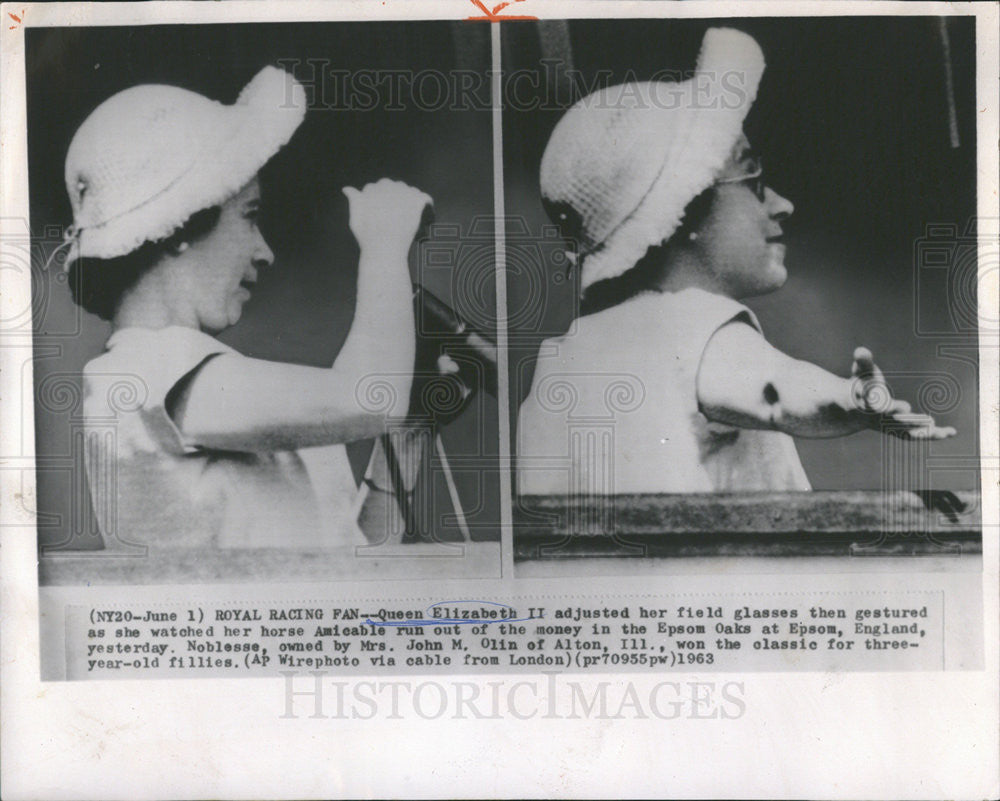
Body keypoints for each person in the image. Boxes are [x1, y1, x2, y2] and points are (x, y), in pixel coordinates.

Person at [517, 28, 956, 496]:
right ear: (685, 209)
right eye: (755, 180)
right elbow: (775, 391)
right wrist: (848, 399)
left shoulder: (566, 358)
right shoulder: (684, 326)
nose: (782, 204)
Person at [61, 66, 431, 548]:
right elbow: (368, 397)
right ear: (179, 228)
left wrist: (410, 431)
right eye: (249, 216)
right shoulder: (139, 377)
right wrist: (384, 246)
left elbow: (356, 562)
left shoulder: (195, 381)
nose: (265, 251)